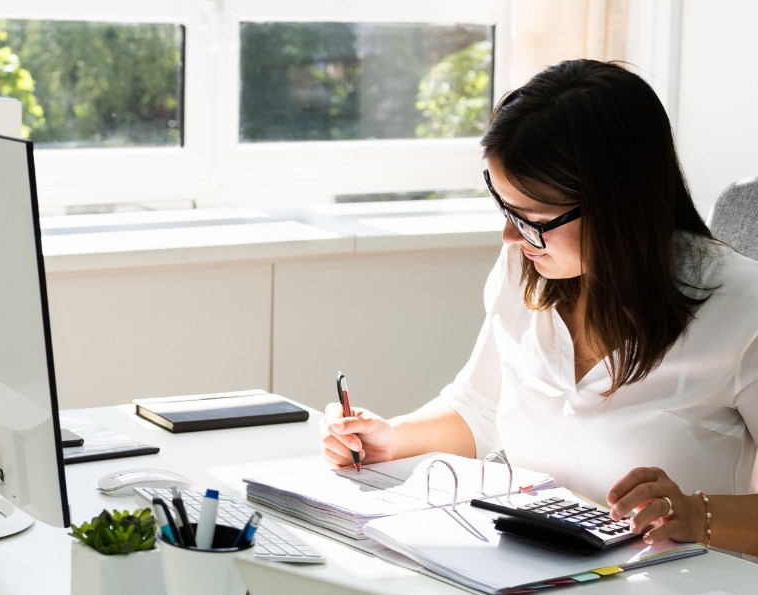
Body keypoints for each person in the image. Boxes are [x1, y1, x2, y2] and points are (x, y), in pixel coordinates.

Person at [319, 59, 758, 556]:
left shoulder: (744, 310)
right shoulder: (526, 270)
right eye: (506, 209)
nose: (511, 235)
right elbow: (480, 407)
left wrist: (698, 515)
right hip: (537, 568)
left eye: (533, 218)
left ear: (618, 206)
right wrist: (393, 439)